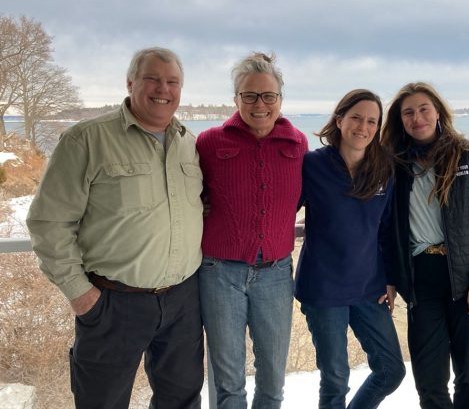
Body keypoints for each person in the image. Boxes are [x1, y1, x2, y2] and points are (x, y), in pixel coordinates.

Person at [26, 47, 204, 408]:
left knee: (182, 399)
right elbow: (49, 222)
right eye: (152, 78)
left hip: (183, 300)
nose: (163, 89)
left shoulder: (189, 143)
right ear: (130, 82)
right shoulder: (87, 139)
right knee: (101, 402)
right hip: (113, 303)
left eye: (173, 82)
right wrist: (81, 294)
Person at [381, 81, 469, 409]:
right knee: (429, 379)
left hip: (466, 276)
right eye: (408, 112)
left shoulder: (468, 155)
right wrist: (391, 278)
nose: (417, 117)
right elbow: (387, 229)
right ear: (400, 120)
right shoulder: (394, 164)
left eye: (423, 109)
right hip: (421, 278)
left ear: (437, 112)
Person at [197, 52, 307, 408]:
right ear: (236, 98)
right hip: (219, 273)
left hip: (275, 274)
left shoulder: (298, 144)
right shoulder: (209, 143)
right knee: (229, 383)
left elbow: (308, 196)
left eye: (268, 96)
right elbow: (189, 195)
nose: (260, 104)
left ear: (280, 99)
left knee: (273, 381)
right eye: (250, 95)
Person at [296, 89, 406, 408]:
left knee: (391, 370)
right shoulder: (313, 164)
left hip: (369, 287)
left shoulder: (385, 167)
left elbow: (386, 230)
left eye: (372, 121)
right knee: (335, 380)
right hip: (323, 289)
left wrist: (391, 278)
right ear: (340, 119)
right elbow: (281, 208)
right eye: (356, 117)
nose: (363, 127)